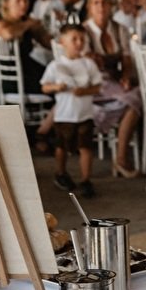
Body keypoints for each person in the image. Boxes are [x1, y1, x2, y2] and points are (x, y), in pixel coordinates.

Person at [83, 0, 142, 177]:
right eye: (96, 3)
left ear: (110, 6)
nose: (101, 7)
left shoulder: (120, 29)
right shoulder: (84, 31)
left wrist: (125, 76)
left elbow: (126, 59)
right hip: (94, 84)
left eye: (104, 3)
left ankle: (124, 157)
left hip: (115, 82)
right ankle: (122, 160)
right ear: (90, 7)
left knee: (139, 97)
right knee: (136, 98)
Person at [41, 25, 102, 197]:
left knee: (86, 147)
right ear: (62, 42)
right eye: (74, 39)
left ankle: (85, 179)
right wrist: (56, 87)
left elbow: (97, 87)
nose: (79, 43)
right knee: (62, 146)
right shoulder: (56, 65)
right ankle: (60, 173)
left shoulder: (88, 64)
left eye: (82, 39)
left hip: (84, 114)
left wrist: (85, 91)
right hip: (64, 114)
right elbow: (45, 87)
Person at [0, 0, 53, 95]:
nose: (23, 4)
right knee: (55, 84)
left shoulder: (26, 23)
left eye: (26, 0)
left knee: (58, 76)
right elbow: (8, 34)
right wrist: (30, 23)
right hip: (13, 78)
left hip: (28, 70)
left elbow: (48, 44)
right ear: (7, 3)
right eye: (18, 1)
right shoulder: (3, 24)